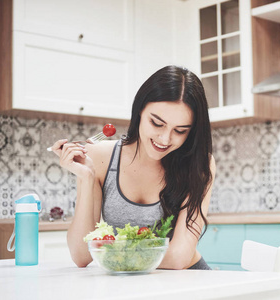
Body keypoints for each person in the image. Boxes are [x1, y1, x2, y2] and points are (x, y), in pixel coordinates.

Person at [50, 65, 215, 270]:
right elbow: (81, 255)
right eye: (156, 123)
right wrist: (86, 177)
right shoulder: (100, 157)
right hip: (129, 280)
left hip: (186, 276)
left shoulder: (199, 164)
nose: (165, 139)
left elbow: (179, 257)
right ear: (139, 111)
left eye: (180, 131)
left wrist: (114, 254)